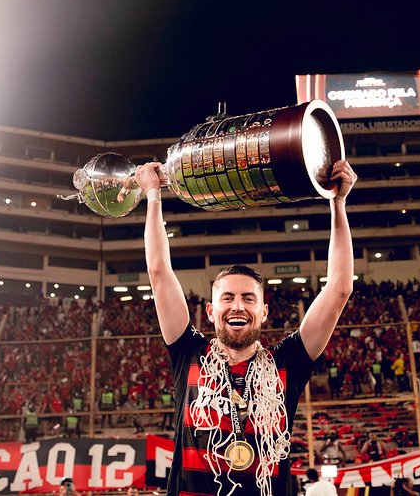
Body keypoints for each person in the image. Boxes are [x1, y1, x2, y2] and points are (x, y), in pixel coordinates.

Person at [136, 159, 356, 496]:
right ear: (210, 311)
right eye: (227, 298)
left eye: (248, 298)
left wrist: (337, 204)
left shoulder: (288, 362)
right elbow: (159, 272)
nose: (237, 305)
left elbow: (339, 289)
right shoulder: (188, 352)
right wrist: (153, 196)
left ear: (264, 311)